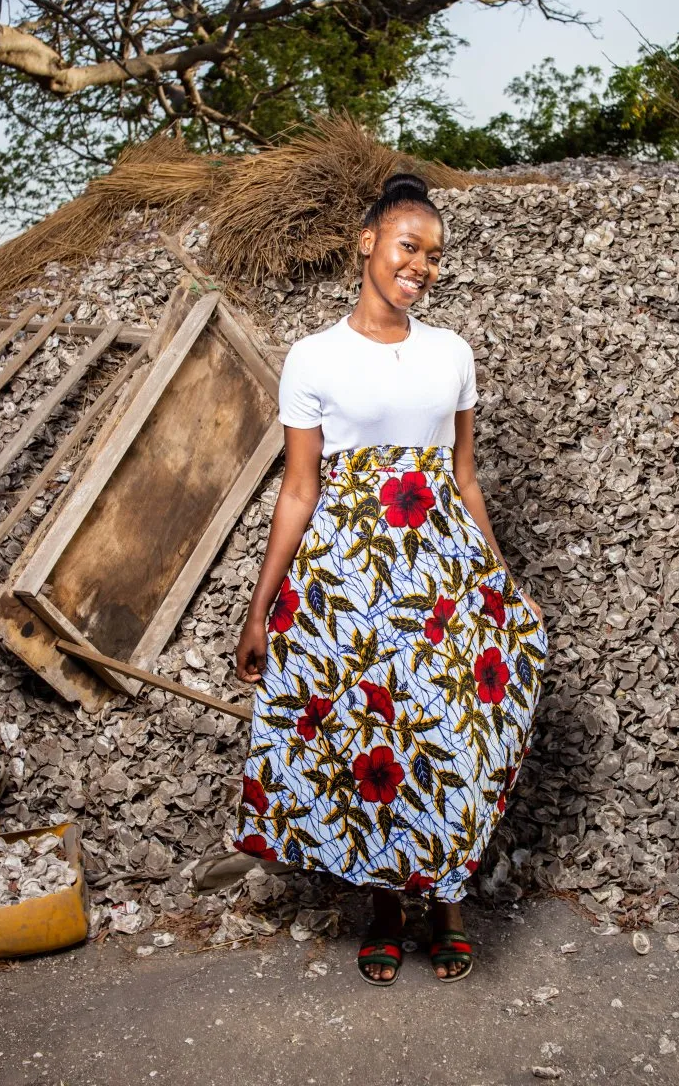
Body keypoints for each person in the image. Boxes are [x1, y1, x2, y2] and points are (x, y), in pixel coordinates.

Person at [234, 173, 547, 986]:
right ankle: (382, 910)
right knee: (371, 739)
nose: (423, 266)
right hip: (350, 579)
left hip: (444, 575)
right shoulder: (313, 358)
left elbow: (465, 479)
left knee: (448, 734)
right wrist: (260, 607)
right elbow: (299, 488)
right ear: (367, 242)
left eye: (435, 257)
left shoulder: (451, 353)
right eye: (411, 247)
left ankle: (447, 906)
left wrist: (502, 583)